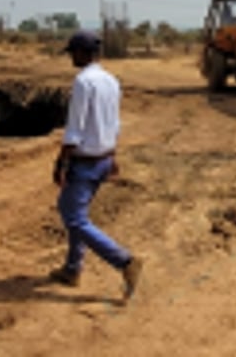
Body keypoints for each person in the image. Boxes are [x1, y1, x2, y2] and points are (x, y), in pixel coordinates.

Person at [49, 29, 143, 300]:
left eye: (72, 53)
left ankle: (125, 262)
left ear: (81, 53)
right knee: (79, 215)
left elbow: (75, 128)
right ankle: (72, 269)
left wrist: (60, 162)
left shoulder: (83, 82)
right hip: (103, 159)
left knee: (72, 216)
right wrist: (112, 156)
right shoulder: (111, 80)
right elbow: (114, 124)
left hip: (85, 162)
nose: (71, 59)